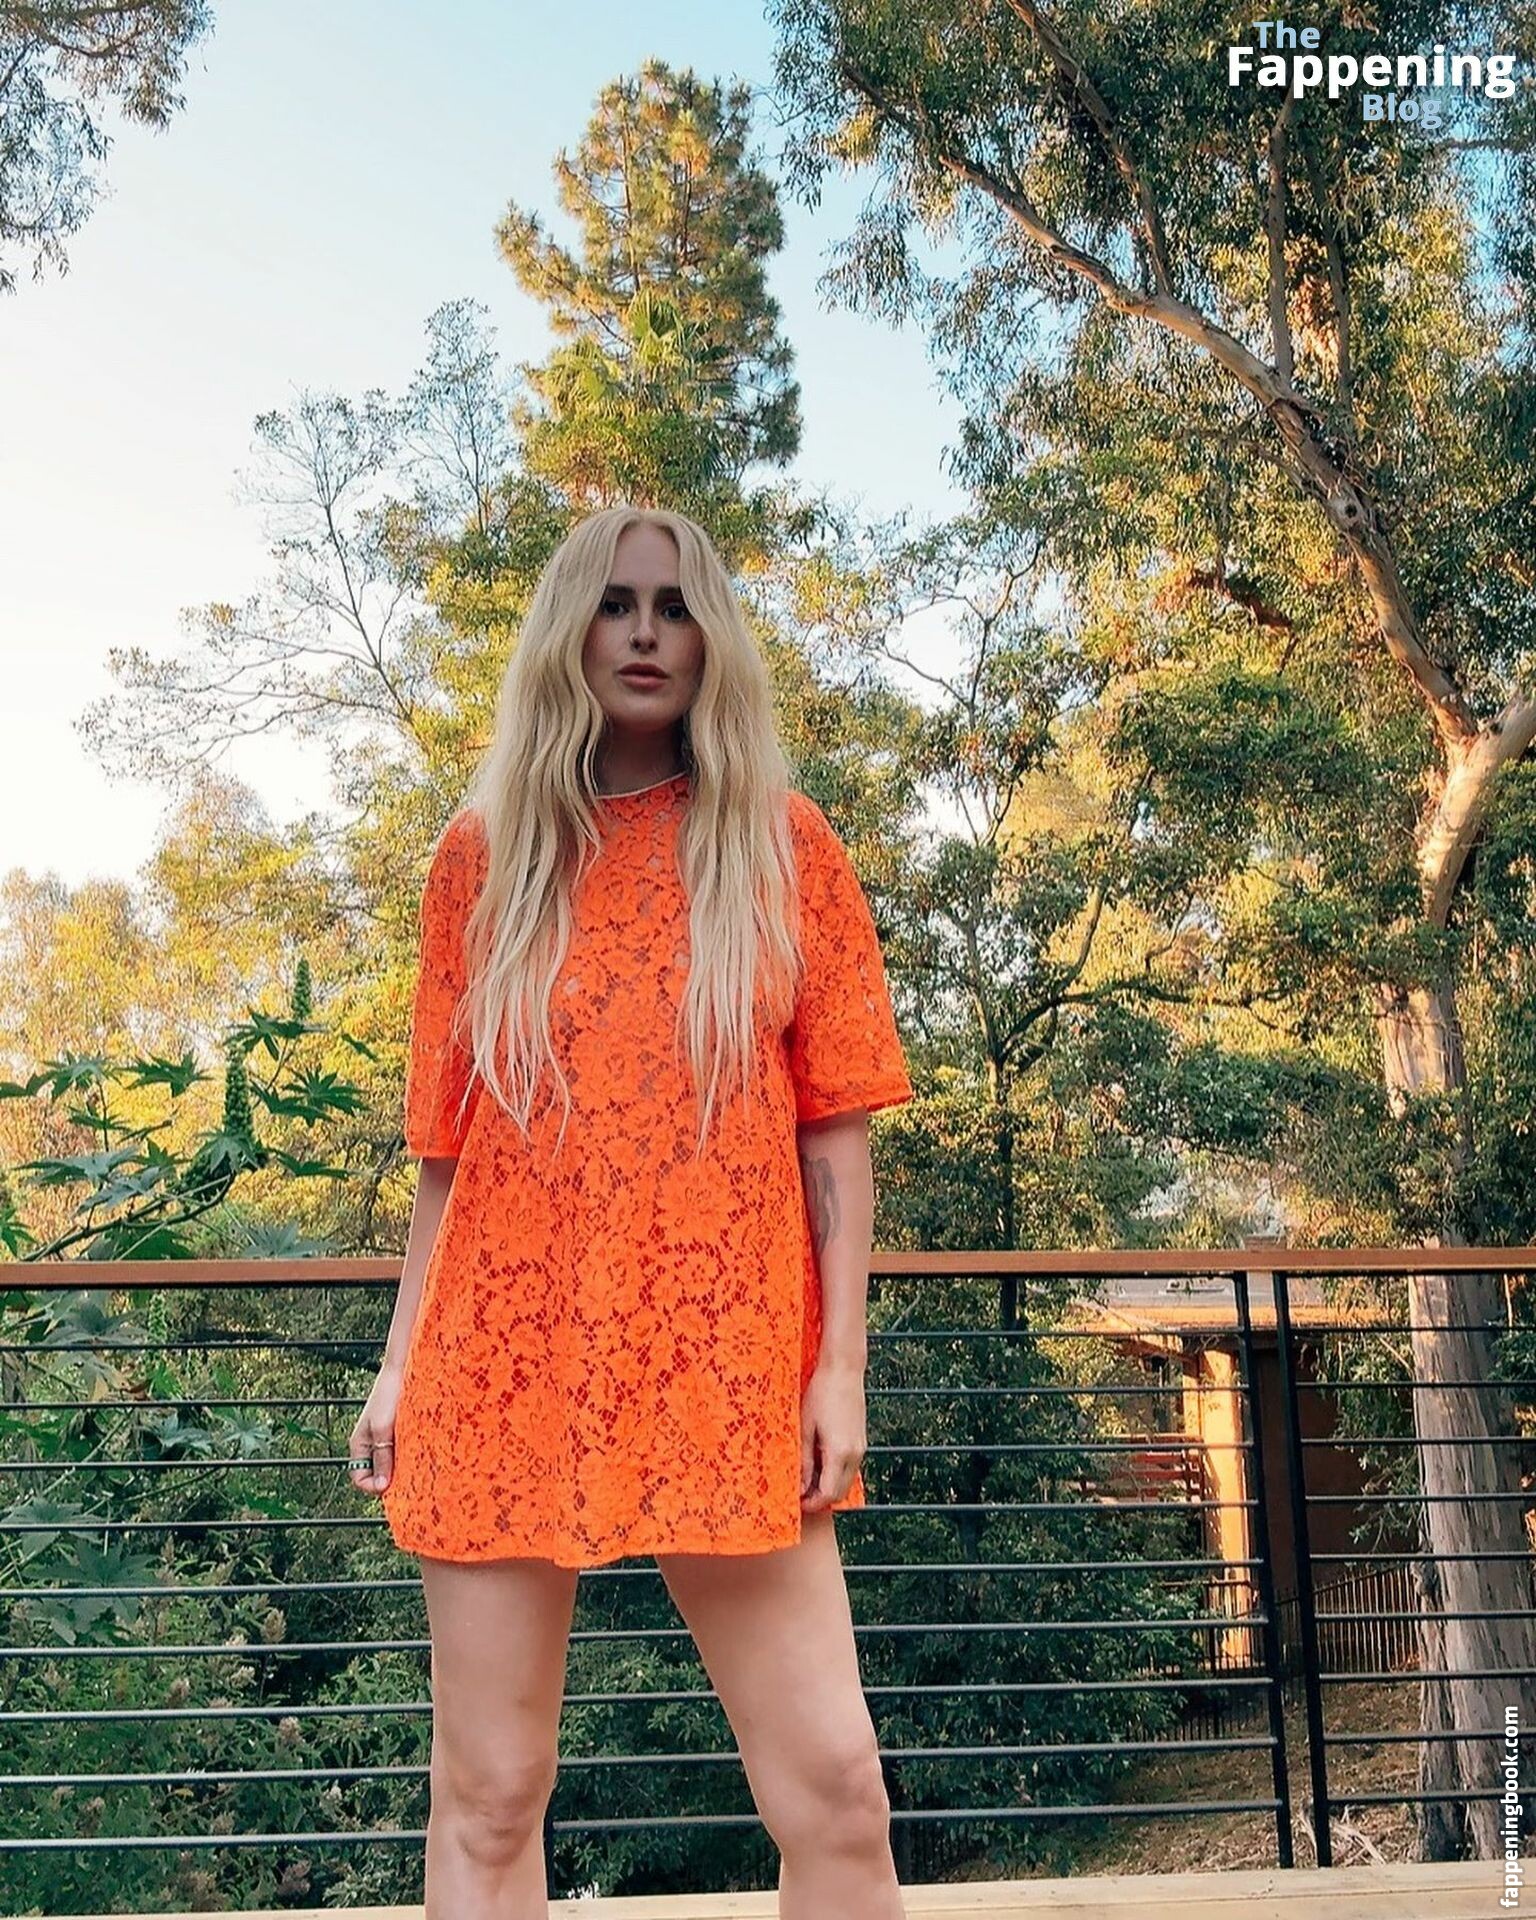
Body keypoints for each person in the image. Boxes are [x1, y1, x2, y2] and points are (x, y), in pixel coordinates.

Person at [348, 503, 914, 1919]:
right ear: (568, 633)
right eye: (614, 603)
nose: (646, 633)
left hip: (726, 1359)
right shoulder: (481, 857)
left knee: (836, 1789)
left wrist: (838, 1368)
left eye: (674, 605)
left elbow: (835, 1133)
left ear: (712, 638)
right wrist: (402, 1364)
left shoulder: (781, 845)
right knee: (490, 1796)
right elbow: (447, 1155)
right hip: (501, 1358)